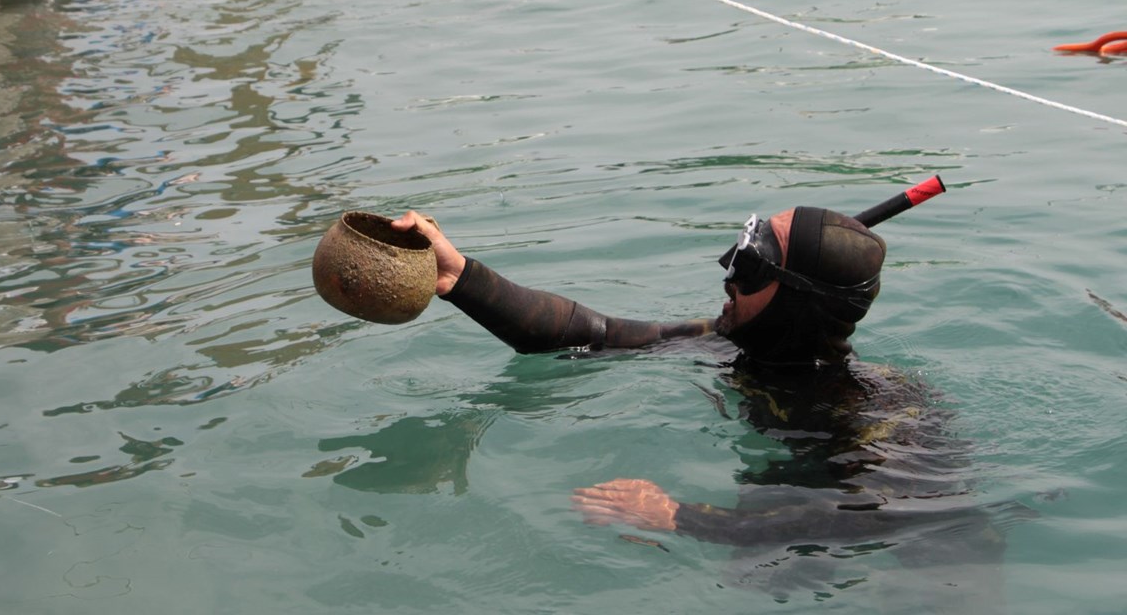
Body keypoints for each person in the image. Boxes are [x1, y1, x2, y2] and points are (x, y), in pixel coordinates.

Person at [390, 207, 1019, 604]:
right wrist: (460, 277)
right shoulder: (727, 345)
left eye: (749, 268)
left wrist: (684, 518)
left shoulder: (870, 416)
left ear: (795, 300)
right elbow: (595, 334)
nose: (726, 279)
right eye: (735, 257)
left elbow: (876, 521)